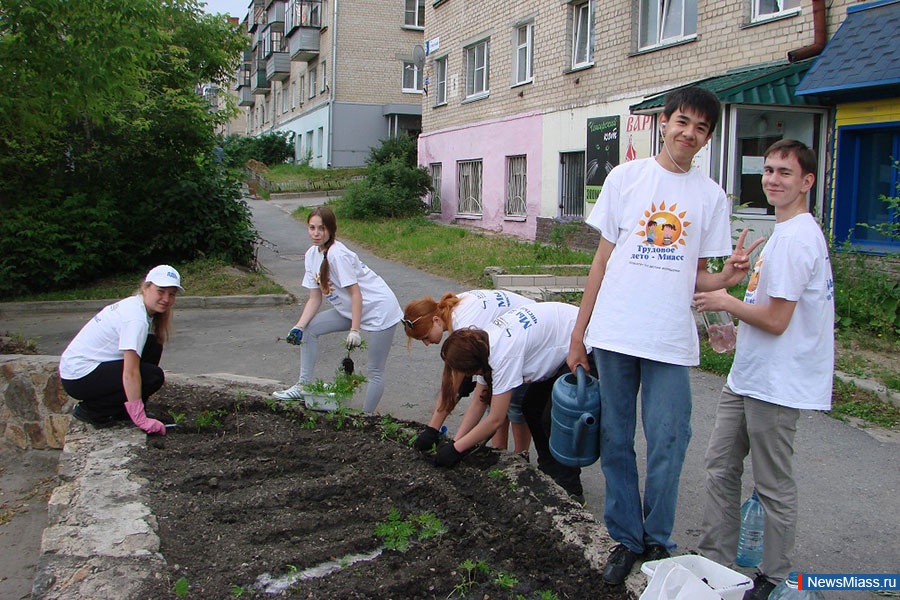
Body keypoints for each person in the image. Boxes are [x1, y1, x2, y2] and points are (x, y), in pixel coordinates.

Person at [566, 86, 763, 585]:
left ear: (708, 137)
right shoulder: (626, 178)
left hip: (671, 339)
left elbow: (697, 276)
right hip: (614, 333)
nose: (689, 134)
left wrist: (728, 279)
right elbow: (602, 259)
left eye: (700, 128)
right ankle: (625, 537)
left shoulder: (710, 195)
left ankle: (657, 539)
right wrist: (578, 332)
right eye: (682, 122)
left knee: (669, 439)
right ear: (664, 122)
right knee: (615, 439)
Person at [694, 140, 833, 600]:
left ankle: (774, 578)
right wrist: (737, 286)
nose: (773, 179)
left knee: (772, 485)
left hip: (778, 383)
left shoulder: (797, 239)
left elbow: (777, 321)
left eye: (785, 173)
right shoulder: (784, 233)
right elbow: (765, 308)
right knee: (719, 467)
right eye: (769, 170)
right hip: (748, 375)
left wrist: (726, 301)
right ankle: (715, 562)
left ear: (806, 182)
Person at [434, 302, 593, 503]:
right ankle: (550, 469)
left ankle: (571, 489)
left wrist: (456, 450)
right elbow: (478, 403)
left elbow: (496, 419)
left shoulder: (502, 354)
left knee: (554, 418)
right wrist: (457, 443)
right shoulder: (483, 345)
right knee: (531, 407)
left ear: (475, 365)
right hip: (559, 343)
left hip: (583, 342)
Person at [273, 206, 402, 413]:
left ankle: (365, 418)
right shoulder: (311, 255)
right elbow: (315, 298)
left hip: (379, 309)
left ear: (331, 230)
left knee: (375, 370)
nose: (316, 233)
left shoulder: (337, 255)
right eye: (312, 228)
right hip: (350, 309)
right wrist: (298, 326)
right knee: (310, 329)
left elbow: (356, 294)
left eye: (321, 229)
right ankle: (302, 384)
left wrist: (355, 330)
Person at [403, 290, 534, 455]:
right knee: (493, 400)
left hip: (524, 341)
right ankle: (500, 454)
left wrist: (442, 437)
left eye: (425, 337)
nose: (426, 343)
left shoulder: (463, 323)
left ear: (435, 320)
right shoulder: (451, 308)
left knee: (514, 405)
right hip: (505, 339)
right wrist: (436, 431)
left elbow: (451, 389)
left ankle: (521, 455)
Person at [60, 265, 184, 435]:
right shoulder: (135, 318)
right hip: (79, 376)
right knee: (153, 376)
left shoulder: (138, 306)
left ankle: (121, 408)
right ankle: (93, 411)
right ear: (146, 288)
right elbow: (130, 373)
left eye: (172, 294)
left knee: (153, 345)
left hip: (86, 369)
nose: (166, 298)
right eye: (161, 291)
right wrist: (140, 418)